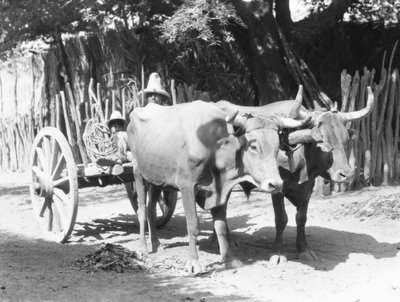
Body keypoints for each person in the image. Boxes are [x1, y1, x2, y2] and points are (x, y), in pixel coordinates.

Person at [96, 72, 171, 174]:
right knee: (127, 151)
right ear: (147, 97)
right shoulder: (142, 113)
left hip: (153, 147)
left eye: (156, 95)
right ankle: (119, 157)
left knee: (121, 137)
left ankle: (119, 157)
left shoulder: (166, 113)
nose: (153, 97)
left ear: (161, 98)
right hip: (138, 148)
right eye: (150, 95)